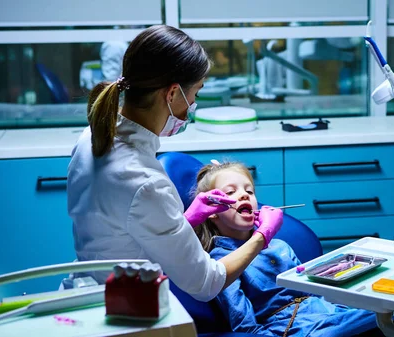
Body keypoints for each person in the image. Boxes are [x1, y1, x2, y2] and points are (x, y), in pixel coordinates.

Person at [67, 25, 282, 302]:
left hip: (92, 289)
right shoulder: (144, 182)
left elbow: (123, 228)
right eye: (196, 93)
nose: (193, 105)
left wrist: (185, 220)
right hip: (129, 308)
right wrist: (262, 236)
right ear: (171, 94)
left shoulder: (92, 136)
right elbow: (207, 282)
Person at [193, 160, 394, 337]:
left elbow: (315, 290)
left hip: (326, 312)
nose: (244, 195)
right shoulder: (222, 262)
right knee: (388, 327)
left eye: (249, 191)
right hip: (295, 329)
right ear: (211, 212)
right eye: (230, 192)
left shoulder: (280, 245)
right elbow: (246, 328)